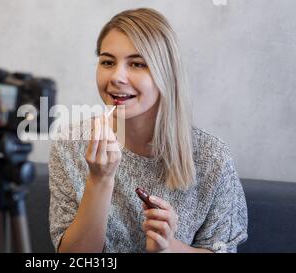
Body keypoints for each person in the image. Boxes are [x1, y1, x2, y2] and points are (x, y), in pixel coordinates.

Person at [48, 8, 248, 253]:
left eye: (137, 63)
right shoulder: (70, 145)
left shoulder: (211, 156)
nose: (117, 77)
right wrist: (100, 180)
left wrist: (169, 247)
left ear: (165, 73)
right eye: (108, 62)